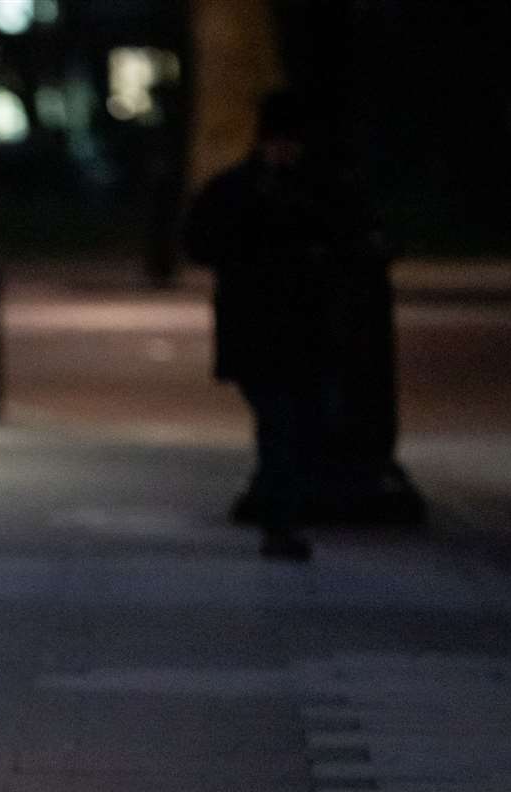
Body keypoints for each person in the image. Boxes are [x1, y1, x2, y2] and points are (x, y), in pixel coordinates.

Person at [185, 90, 388, 560]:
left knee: (295, 426)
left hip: (296, 329)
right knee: (282, 426)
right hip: (268, 331)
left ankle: (283, 511)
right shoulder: (248, 190)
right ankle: (281, 521)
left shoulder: (305, 190)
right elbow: (203, 241)